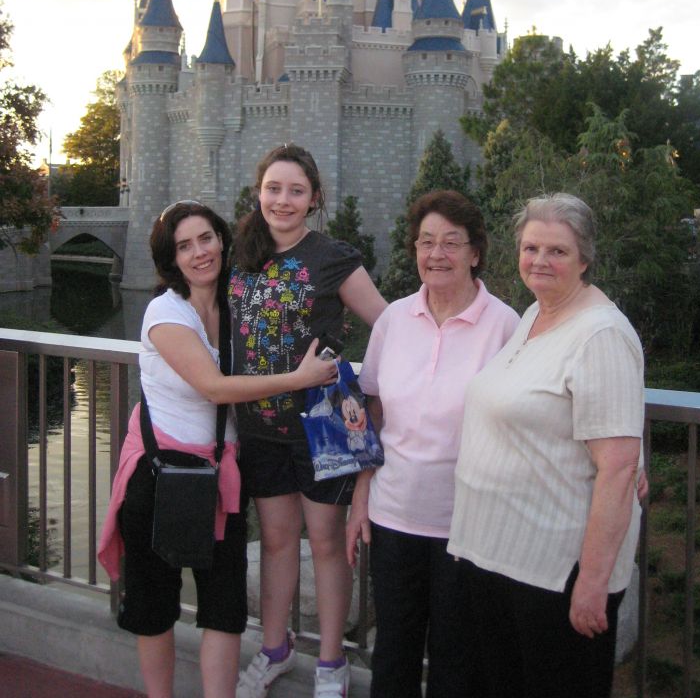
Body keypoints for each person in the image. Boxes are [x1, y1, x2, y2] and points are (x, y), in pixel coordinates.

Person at [98, 200, 338, 698]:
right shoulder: (164, 312)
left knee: (224, 612)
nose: (199, 252)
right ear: (172, 259)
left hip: (219, 480)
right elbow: (215, 388)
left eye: (206, 239)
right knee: (155, 610)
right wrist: (298, 379)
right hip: (160, 474)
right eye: (184, 246)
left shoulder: (234, 305)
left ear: (223, 241)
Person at [448, 193, 645, 698]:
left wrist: (593, 583)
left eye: (557, 251)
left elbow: (619, 468)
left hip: (555, 573)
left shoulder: (600, 335)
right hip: (501, 559)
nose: (540, 260)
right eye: (530, 247)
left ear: (584, 258)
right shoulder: (535, 314)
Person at [345, 190, 520, 698]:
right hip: (393, 514)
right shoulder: (395, 320)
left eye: (450, 242)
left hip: (466, 524)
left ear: (475, 252)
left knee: (456, 656)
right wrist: (360, 498)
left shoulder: (505, 325)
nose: (436, 254)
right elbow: (372, 413)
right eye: (426, 242)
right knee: (393, 651)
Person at [229, 144, 387, 698]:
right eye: (274, 188)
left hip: (323, 428)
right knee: (274, 540)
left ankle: (329, 665)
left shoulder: (332, 257)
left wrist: (373, 395)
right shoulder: (240, 253)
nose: (283, 200)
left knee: (324, 541)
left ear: (314, 198)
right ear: (259, 192)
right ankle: (274, 649)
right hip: (258, 427)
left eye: (296, 190)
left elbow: (388, 326)